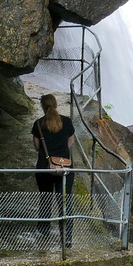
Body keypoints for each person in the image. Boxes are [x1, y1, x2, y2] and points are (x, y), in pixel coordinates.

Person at [32, 94, 76, 248]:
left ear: (42, 106)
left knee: (45, 199)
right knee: (65, 201)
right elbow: (69, 142)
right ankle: (67, 238)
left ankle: (43, 232)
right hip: (65, 166)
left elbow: (37, 147)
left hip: (45, 167)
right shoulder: (67, 122)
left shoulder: (38, 124)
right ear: (56, 104)